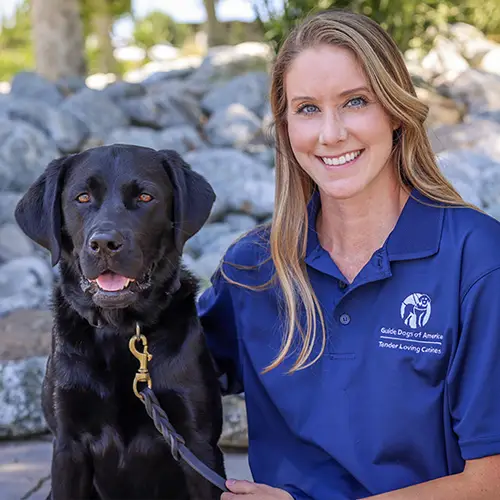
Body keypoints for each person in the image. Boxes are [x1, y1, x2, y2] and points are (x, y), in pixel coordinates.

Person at [197, 8, 500, 499]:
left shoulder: (478, 259)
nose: (330, 134)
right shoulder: (253, 269)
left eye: (355, 101)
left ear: (395, 111)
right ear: (286, 126)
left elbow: (491, 481)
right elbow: (156, 374)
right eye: (307, 108)